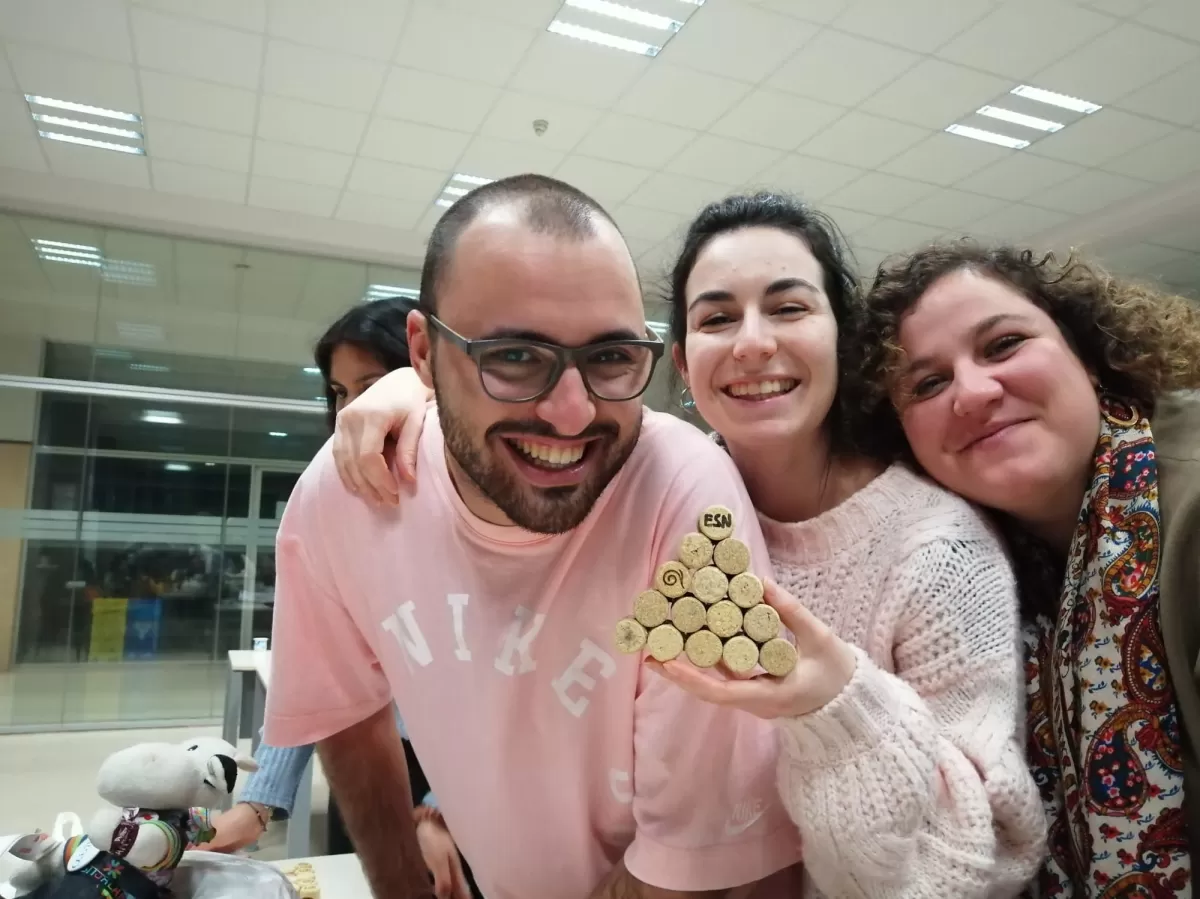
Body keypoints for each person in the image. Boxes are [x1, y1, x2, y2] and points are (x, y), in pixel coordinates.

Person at [328, 191, 1047, 898]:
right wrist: (416, 393)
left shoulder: (938, 551)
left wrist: (838, 705)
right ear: (679, 356)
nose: (753, 342)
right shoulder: (640, 497)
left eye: (789, 306)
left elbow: (983, 865)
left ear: (844, 336)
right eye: (717, 317)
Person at [262, 175, 805, 899]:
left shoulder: (687, 494)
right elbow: (347, 710)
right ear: (421, 354)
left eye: (611, 356)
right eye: (515, 356)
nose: (573, 413)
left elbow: (688, 865)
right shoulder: (347, 491)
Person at [856, 242, 1199, 895]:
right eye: (929, 383)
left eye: (1004, 344)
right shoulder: (965, 573)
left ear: (1089, 353)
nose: (976, 392)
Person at [203, 298, 476, 899]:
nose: (351, 412)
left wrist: (438, 812)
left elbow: (510, 691)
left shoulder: (479, 502)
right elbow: (318, 676)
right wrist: (258, 804)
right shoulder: (340, 502)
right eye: (338, 391)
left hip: (477, 775)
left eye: (372, 386)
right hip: (380, 762)